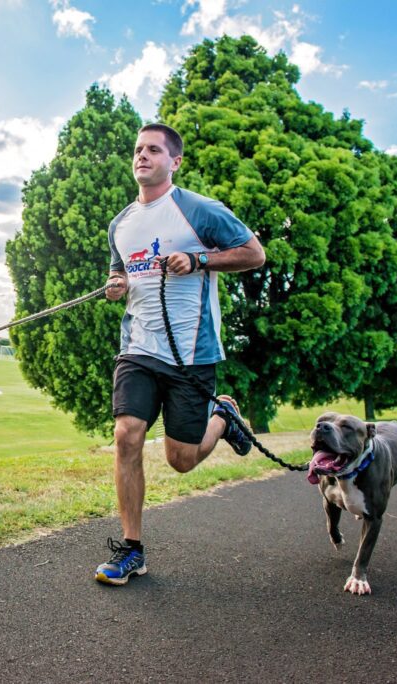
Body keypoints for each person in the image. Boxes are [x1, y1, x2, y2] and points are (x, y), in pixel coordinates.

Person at [96, 123, 266, 586]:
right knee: (126, 433)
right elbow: (120, 277)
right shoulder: (121, 224)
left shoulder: (199, 210)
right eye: (138, 149)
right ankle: (132, 549)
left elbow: (255, 254)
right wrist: (118, 286)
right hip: (138, 349)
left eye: (154, 150)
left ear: (175, 161)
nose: (143, 156)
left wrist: (200, 260)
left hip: (191, 352)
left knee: (181, 460)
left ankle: (223, 417)